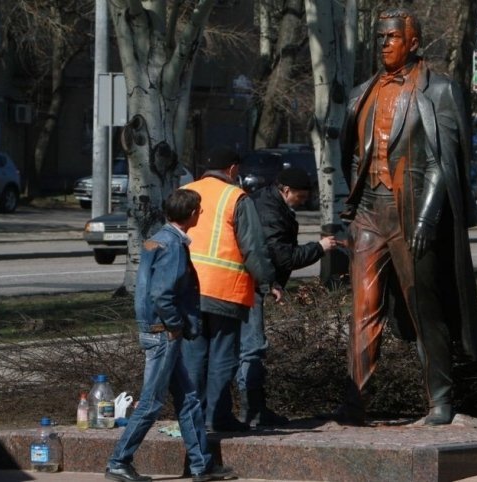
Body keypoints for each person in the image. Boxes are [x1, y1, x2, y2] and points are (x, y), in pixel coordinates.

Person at [339, 7, 477, 426]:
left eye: (392, 37)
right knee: (363, 310)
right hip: (369, 213)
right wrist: (355, 203)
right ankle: (354, 401)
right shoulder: (361, 93)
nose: (383, 43)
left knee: (424, 308)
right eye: (380, 37)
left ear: (413, 42)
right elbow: (354, 153)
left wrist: (426, 218)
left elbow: (446, 162)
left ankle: (440, 399)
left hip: (412, 214)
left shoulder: (440, 90)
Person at [105, 189, 235, 482]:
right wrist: (176, 324)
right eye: (199, 210)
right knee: (151, 402)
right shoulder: (173, 245)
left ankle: (201, 465)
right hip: (164, 334)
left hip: (157, 330)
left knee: (189, 399)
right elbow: (162, 294)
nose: (200, 214)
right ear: (192, 214)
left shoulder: (156, 239)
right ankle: (118, 462)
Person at [182, 146, 282, 433]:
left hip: (187, 291)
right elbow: (253, 248)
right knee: (222, 357)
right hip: (223, 290)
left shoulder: (185, 191)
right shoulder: (236, 197)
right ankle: (218, 418)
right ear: (233, 169)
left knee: (194, 358)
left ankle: (194, 419)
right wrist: (268, 282)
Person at [237, 167, 338, 427]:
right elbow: (283, 256)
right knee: (252, 348)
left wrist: (273, 283)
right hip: (246, 286)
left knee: (240, 348)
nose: (302, 202)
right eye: (300, 197)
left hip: (250, 282)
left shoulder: (266, 202)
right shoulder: (270, 212)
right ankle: (253, 411)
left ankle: (247, 409)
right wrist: (319, 248)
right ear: (286, 190)